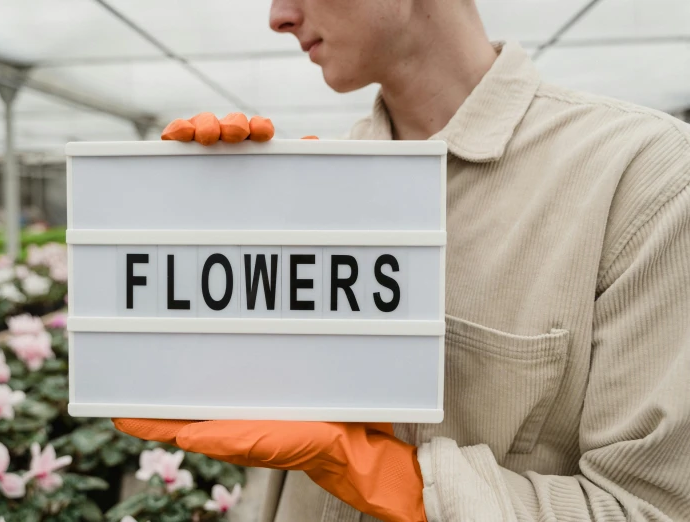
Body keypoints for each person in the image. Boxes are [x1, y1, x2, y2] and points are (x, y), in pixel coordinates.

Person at [113, 0, 690, 520]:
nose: (278, 16)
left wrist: (384, 474)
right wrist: (209, 231)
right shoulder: (310, 185)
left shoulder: (641, 178)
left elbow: (648, 508)